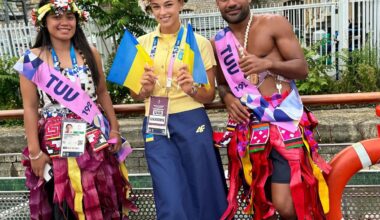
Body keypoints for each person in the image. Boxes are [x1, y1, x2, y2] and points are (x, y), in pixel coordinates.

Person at [15, 0, 135, 218]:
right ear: (44, 21)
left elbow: (102, 93)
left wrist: (115, 130)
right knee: (64, 204)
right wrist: (34, 152)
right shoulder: (31, 59)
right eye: (57, 17)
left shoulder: (91, 53)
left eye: (70, 17)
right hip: (54, 145)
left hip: (94, 140)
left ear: (77, 20)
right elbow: (30, 107)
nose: (64, 22)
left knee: (102, 196)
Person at [212, 0, 331, 219]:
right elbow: (221, 83)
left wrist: (268, 64)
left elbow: (302, 68)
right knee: (261, 201)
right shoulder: (218, 42)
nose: (230, 3)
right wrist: (227, 97)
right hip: (250, 129)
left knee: (286, 203)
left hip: (283, 123)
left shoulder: (274, 23)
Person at [133, 0, 227, 219]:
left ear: (181, 4)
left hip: (192, 118)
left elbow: (209, 94)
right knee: (170, 196)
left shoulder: (199, 43)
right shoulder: (141, 44)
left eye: (168, 5)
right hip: (155, 121)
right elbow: (136, 94)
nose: (163, 12)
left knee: (203, 190)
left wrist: (192, 88)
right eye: (156, 7)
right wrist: (144, 90)